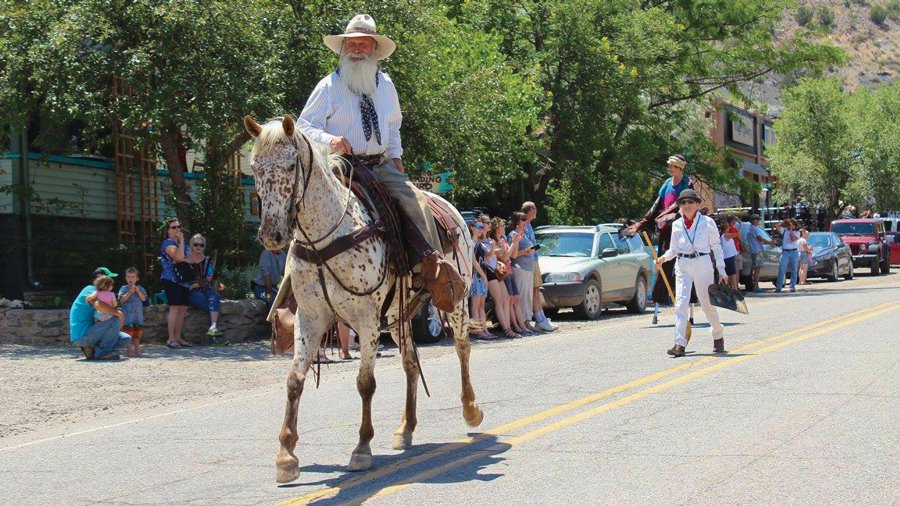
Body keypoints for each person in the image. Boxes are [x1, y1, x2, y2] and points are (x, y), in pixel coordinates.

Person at [296, 13, 462, 309]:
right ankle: (291, 299)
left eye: (363, 44)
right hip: (340, 164)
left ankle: (429, 270)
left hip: (379, 162)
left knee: (416, 202)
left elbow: (393, 125)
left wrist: (396, 156)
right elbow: (303, 125)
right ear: (343, 49)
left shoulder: (386, 85)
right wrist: (329, 140)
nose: (357, 49)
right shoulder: (329, 86)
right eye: (352, 44)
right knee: (307, 208)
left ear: (374, 50)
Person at [655, 190, 729, 357]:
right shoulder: (676, 225)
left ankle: (718, 335)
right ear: (679, 207)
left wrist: (722, 270)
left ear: (697, 204)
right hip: (683, 264)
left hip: (702, 263)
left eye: (690, 202)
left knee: (706, 304)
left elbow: (716, 247)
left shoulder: (707, 222)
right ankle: (679, 343)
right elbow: (673, 250)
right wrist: (663, 259)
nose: (687, 206)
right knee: (681, 303)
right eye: (683, 203)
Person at [627, 154, 696, 307]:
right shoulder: (666, 183)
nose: (669, 169)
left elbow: (682, 203)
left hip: (683, 229)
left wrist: (665, 215)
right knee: (664, 263)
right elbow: (657, 205)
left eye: (672, 166)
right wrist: (642, 223)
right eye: (669, 166)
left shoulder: (687, 183)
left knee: (686, 265)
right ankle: (660, 298)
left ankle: (688, 298)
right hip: (666, 228)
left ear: (679, 167)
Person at [69, 267, 130, 361]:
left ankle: (94, 350)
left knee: (125, 338)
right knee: (115, 319)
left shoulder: (101, 293)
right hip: (83, 335)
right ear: (100, 278)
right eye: (109, 279)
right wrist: (118, 313)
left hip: (92, 331)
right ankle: (102, 353)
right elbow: (98, 305)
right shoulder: (90, 289)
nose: (111, 282)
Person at [185, 233, 228, 344]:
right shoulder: (186, 261)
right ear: (191, 246)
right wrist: (193, 286)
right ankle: (214, 337)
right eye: (196, 244)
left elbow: (208, 278)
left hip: (205, 288)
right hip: (191, 292)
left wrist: (195, 284)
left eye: (201, 245)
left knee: (215, 296)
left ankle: (213, 327)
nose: (198, 247)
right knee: (209, 305)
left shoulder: (209, 261)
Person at [522, 202, 557, 331]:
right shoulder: (524, 225)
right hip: (529, 261)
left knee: (536, 289)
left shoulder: (529, 225)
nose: (536, 211)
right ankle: (539, 319)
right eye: (535, 208)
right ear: (530, 210)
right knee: (533, 290)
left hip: (534, 259)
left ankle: (541, 318)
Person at [159, 217, 192, 349]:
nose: (177, 230)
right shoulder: (167, 244)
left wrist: (182, 245)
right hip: (171, 279)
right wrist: (182, 241)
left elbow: (191, 258)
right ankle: (171, 338)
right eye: (174, 227)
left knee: (183, 308)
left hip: (183, 280)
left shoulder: (181, 244)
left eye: (179, 227)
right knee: (174, 308)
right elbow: (178, 257)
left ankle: (178, 337)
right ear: (168, 231)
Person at [491, 217, 525, 338]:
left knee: (507, 300)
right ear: (496, 227)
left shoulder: (503, 240)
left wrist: (515, 243)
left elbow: (513, 255)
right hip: (501, 273)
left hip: (507, 272)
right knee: (504, 301)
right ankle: (509, 328)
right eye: (502, 225)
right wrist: (514, 243)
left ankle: (512, 328)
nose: (505, 227)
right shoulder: (495, 241)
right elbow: (504, 258)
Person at [468, 221, 494, 339]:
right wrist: (483, 275)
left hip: (481, 276)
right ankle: (478, 331)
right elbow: (473, 261)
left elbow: (487, 257)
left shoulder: (478, 243)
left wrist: (493, 246)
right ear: (472, 228)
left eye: (482, 227)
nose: (480, 229)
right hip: (476, 276)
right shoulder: (471, 243)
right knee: (476, 305)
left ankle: (485, 330)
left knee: (481, 305)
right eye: (478, 227)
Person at [117, 267, 147, 357]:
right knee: (128, 334)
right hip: (128, 317)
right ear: (126, 278)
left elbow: (144, 299)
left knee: (137, 335)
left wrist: (138, 291)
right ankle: (129, 350)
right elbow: (121, 300)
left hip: (138, 317)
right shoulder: (123, 288)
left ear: (137, 278)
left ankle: (137, 350)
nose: (131, 279)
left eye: (133, 277)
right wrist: (129, 293)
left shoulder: (140, 288)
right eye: (129, 277)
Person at [745, 214, 774, 292]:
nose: (758, 221)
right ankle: (756, 287)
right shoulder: (754, 228)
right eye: (757, 219)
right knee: (757, 270)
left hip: (756, 250)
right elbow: (760, 239)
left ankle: (756, 286)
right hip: (756, 251)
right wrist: (770, 242)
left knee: (757, 269)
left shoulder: (751, 228)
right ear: (753, 220)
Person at [775, 218, 801, 293]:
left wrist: (791, 230)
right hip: (785, 252)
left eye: (792, 225)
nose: (791, 226)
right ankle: (778, 287)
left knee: (794, 270)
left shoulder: (797, 232)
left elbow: (793, 239)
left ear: (795, 225)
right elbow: (776, 226)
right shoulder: (785, 230)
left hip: (794, 252)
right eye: (790, 224)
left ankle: (792, 286)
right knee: (782, 269)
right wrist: (784, 221)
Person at [719, 219, 739, 291]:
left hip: (728, 256)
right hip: (728, 257)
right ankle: (734, 288)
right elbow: (737, 234)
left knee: (730, 273)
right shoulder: (725, 235)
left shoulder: (723, 235)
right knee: (732, 273)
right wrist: (740, 225)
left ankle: (731, 288)